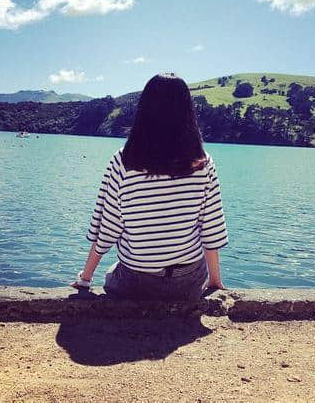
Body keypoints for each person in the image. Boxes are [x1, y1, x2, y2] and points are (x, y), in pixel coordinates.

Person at [70, 73, 228, 300]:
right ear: (188, 111)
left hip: (137, 282)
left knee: (112, 272)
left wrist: (86, 277)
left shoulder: (124, 160)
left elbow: (108, 226)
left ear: (144, 110)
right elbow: (211, 226)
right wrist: (214, 280)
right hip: (188, 281)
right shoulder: (203, 162)